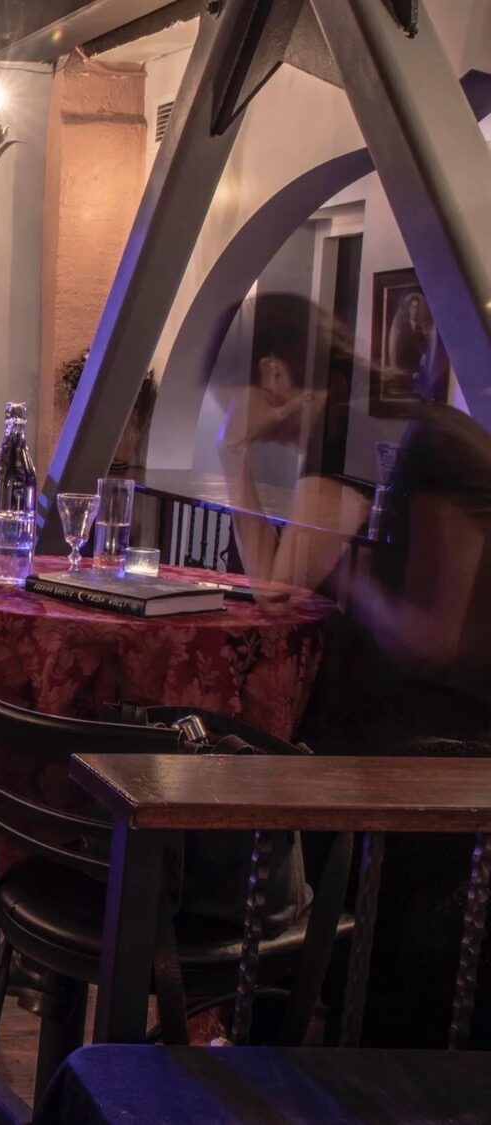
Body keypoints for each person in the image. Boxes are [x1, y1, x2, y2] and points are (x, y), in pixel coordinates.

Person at [217, 290, 491, 1046]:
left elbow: (425, 636)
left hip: (442, 743)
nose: (236, 420)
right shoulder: (402, 423)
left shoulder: (359, 429)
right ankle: (273, 1008)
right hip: (439, 725)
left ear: (273, 375)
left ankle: (258, 1011)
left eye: (231, 405)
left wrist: (354, 586)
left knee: (247, 759)